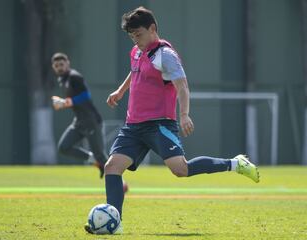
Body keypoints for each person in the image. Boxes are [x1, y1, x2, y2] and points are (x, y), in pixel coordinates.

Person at [84, 6, 260, 234]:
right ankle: (115, 223)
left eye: (138, 35)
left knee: (180, 169)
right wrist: (120, 91)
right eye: (131, 36)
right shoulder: (137, 52)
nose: (135, 41)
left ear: (152, 29)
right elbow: (135, 70)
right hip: (133, 126)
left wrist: (184, 114)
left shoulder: (166, 55)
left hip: (159, 124)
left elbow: (182, 85)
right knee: (112, 167)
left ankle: (235, 164)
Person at [51, 52, 107, 178]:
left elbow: (86, 96)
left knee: (101, 155)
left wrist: (65, 102)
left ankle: (120, 184)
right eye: (56, 65)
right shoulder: (62, 79)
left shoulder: (74, 76)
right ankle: (93, 159)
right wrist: (64, 102)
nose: (59, 67)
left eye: (61, 64)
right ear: (53, 67)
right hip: (79, 122)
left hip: (91, 121)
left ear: (67, 63)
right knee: (64, 147)